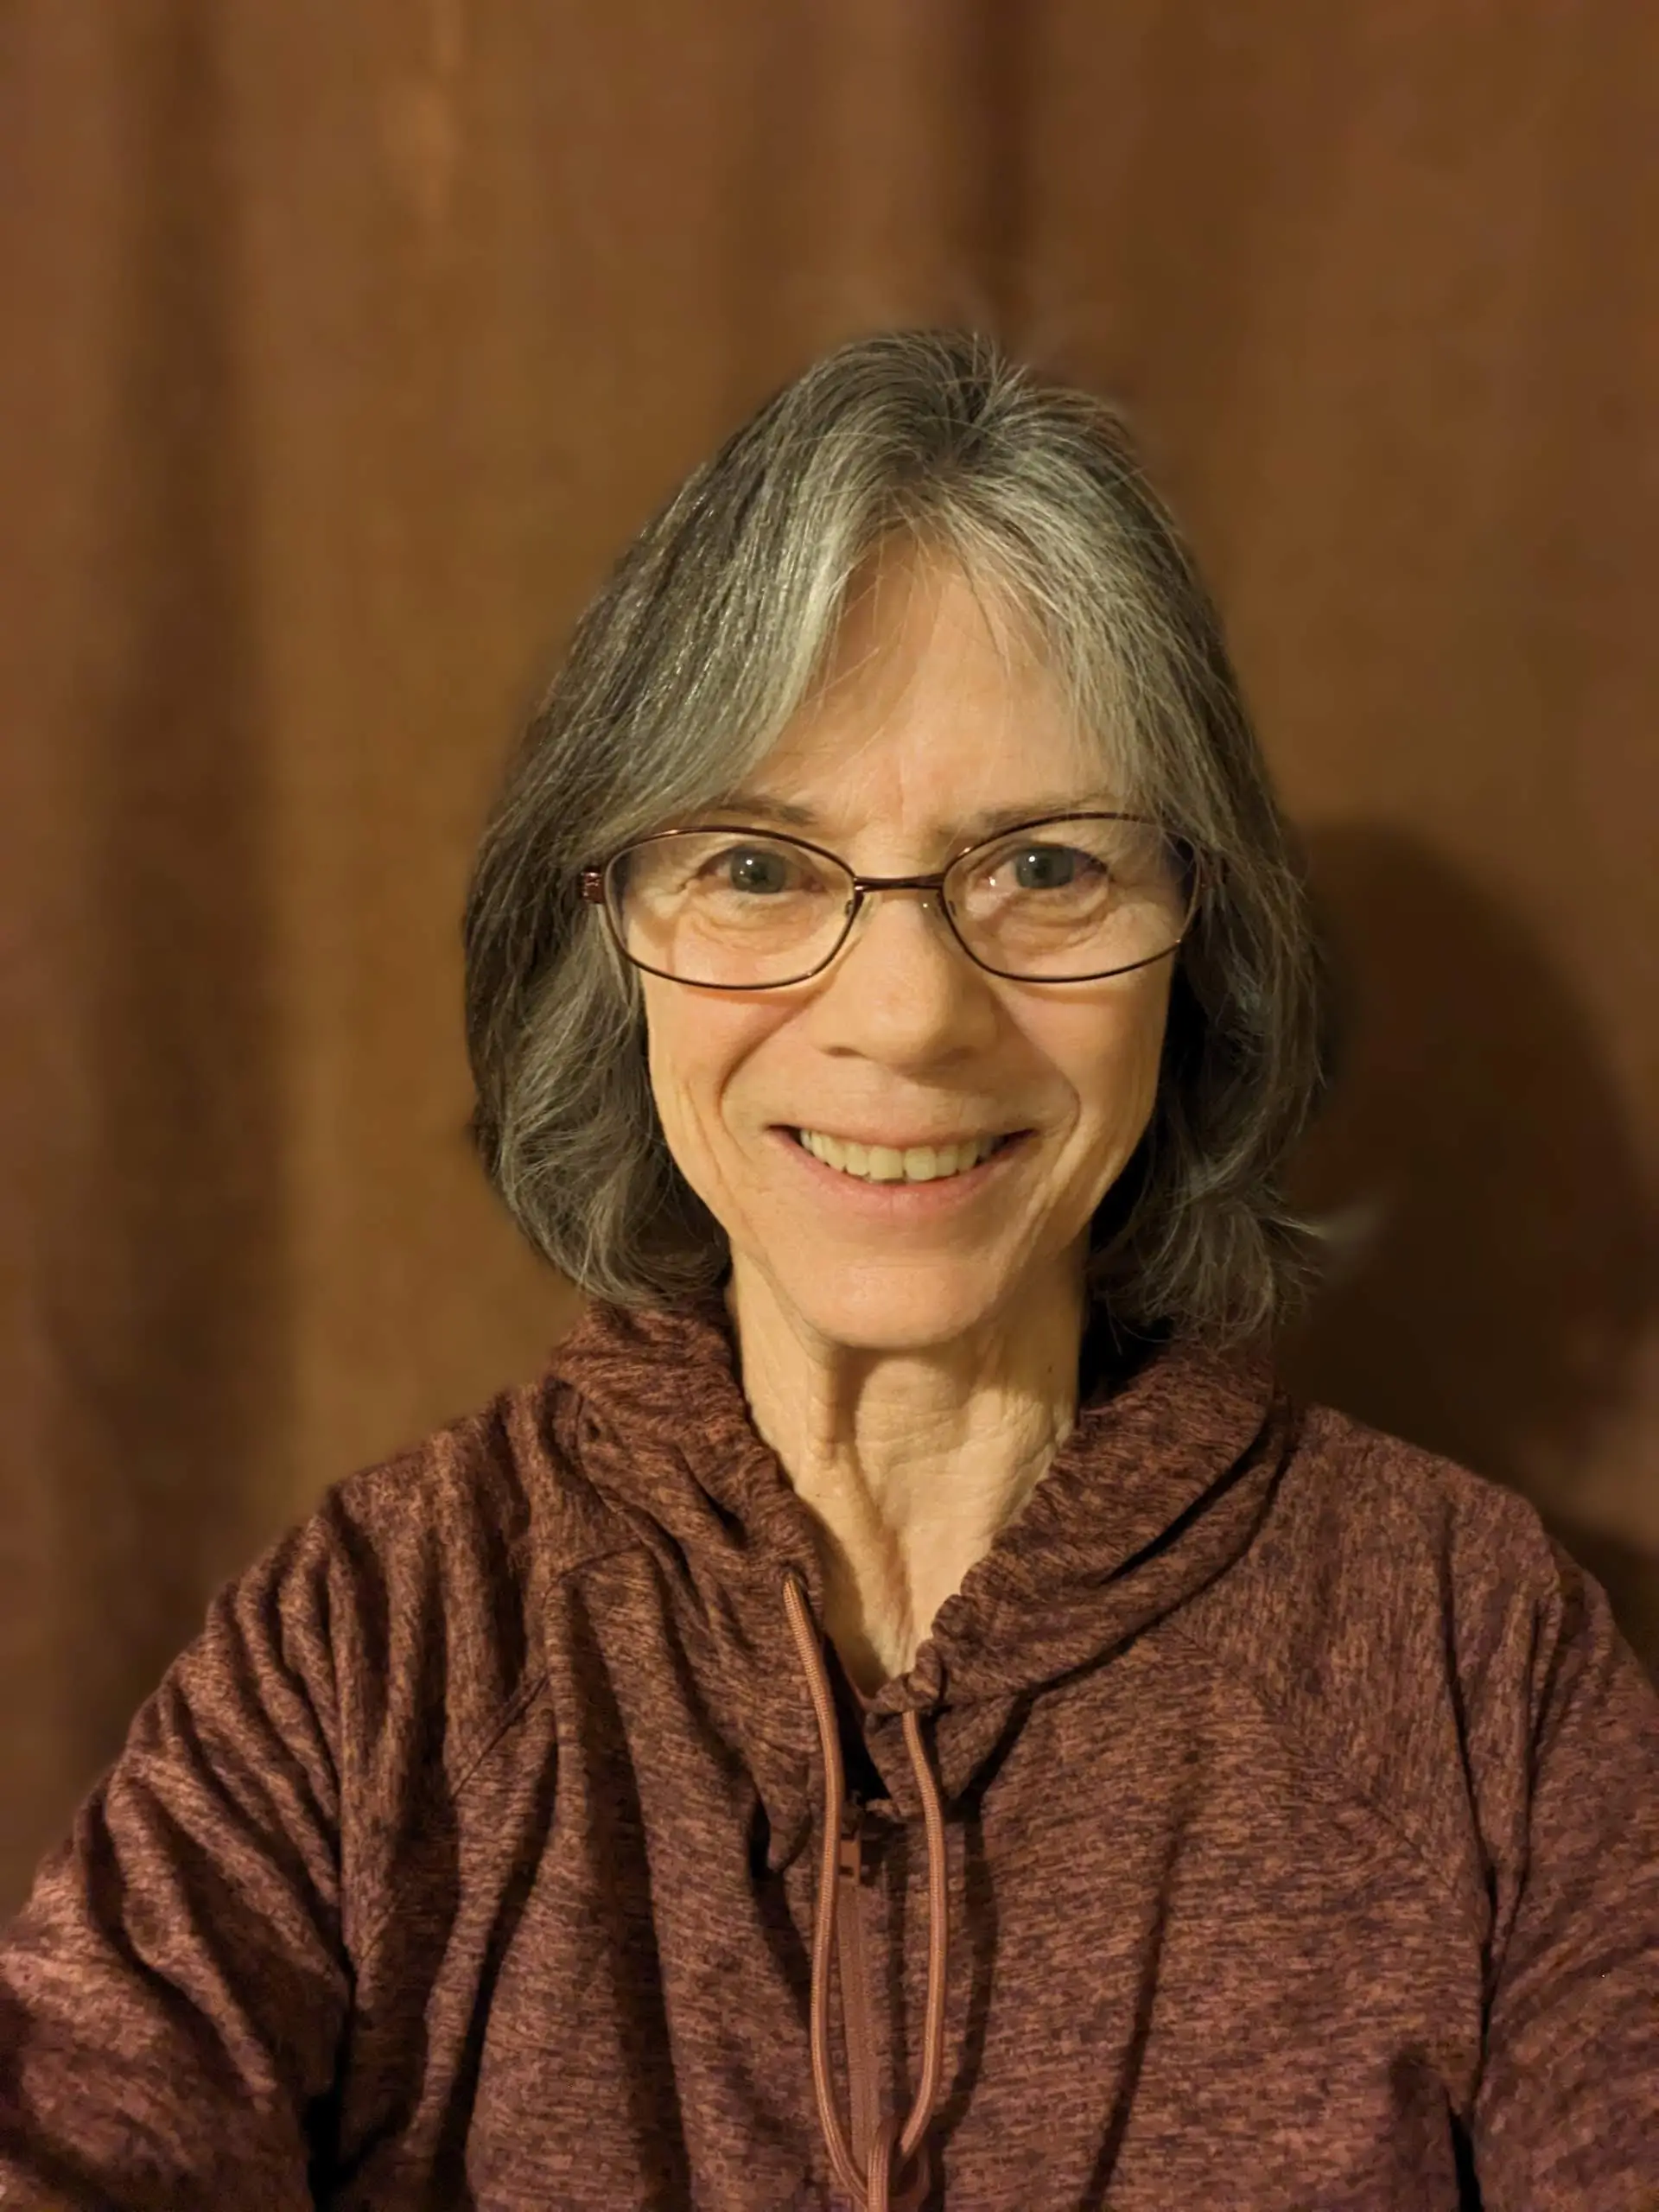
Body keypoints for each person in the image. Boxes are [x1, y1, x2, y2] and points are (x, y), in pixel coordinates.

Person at [1, 330, 1655, 2212]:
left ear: (1201, 945)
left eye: (1046, 866)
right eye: (760, 867)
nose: (910, 1013)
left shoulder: (1468, 1654)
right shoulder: (376, 1650)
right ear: (608, 934)